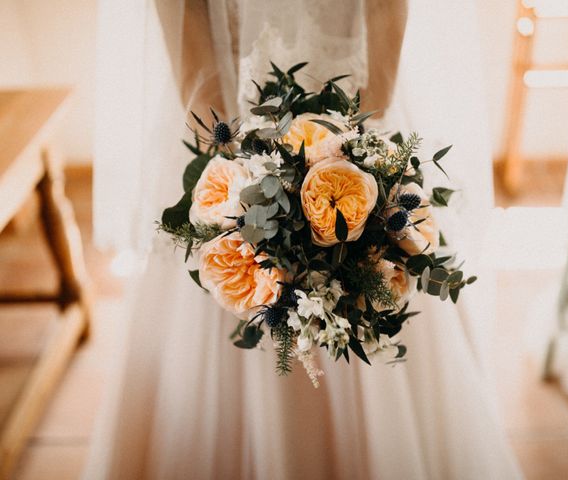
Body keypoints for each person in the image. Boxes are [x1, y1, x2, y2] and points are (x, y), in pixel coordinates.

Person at [85, 1, 522, 478]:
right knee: (220, 281)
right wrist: (231, 165)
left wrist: (360, 152)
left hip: (359, 113)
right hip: (226, 119)